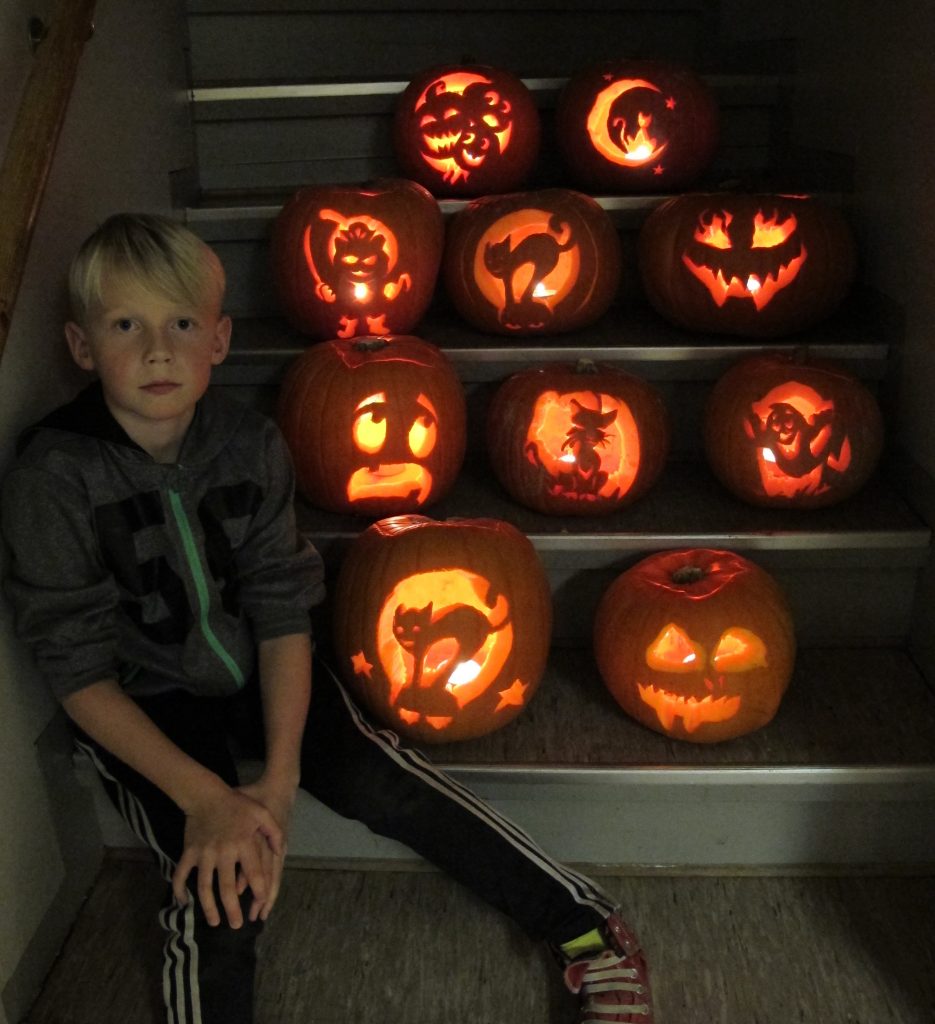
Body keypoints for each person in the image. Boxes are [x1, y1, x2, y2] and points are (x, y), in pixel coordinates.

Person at [1, 213, 653, 1024]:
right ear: (80, 345)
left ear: (219, 340)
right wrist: (208, 800)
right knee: (217, 884)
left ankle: (585, 928)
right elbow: (76, 670)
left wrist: (277, 780)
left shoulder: (249, 445)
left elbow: (281, 612)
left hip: (268, 672)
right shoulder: (53, 477)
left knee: (383, 779)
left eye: (180, 323)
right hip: (145, 706)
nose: (157, 350)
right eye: (126, 325)